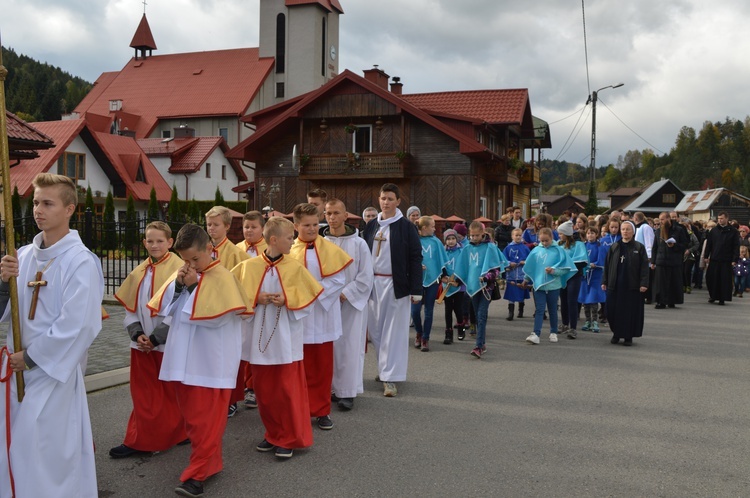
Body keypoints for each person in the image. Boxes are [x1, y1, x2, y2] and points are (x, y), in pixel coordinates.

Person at [0, 173, 103, 498]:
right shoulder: (23, 257)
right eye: (35, 202)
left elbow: (79, 325)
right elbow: (8, 309)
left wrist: (30, 357)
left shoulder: (81, 262)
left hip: (51, 375)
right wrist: (4, 283)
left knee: (45, 451)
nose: (38, 210)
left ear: (69, 208)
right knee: (16, 448)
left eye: (47, 203)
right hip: (17, 372)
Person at [147, 223, 251, 497]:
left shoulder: (223, 277)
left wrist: (193, 288)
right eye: (185, 259)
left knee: (206, 422)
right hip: (184, 362)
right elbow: (167, 314)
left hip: (211, 364)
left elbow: (216, 318)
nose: (190, 264)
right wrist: (180, 287)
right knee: (194, 421)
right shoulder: (185, 276)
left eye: (195, 258)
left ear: (209, 249)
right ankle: (210, 463)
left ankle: (196, 476)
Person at [231, 217, 323, 460]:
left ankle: (290, 437)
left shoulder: (294, 268)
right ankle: (273, 433)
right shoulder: (248, 267)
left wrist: (288, 301)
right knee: (264, 391)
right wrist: (255, 298)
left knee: (287, 391)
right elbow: (232, 296)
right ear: (274, 240)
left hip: (285, 340)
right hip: (258, 341)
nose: (293, 242)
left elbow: (308, 301)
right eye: (289, 238)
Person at [110, 221, 186, 459]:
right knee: (144, 395)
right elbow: (130, 309)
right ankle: (143, 438)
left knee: (169, 393)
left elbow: (181, 309)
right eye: (150, 241)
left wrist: (156, 337)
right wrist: (137, 334)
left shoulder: (180, 269)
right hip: (142, 344)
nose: (154, 245)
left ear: (170, 242)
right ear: (144, 243)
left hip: (166, 342)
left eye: (160, 241)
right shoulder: (140, 271)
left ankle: (170, 434)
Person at [290, 203, 352, 430]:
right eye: (306, 225)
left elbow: (338, 280)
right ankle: (300, 409)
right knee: (300, 367)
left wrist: (311, 292)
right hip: (300, 317)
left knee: (323, 367)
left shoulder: (329, 249)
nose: (312, 229)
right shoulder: (289, 251)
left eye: (316, 224)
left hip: (323, 315)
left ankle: (322, 410)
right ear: (296, 226)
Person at [363, 183, 422, 397]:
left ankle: (391, 378)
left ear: (398, 201)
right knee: (376, 331)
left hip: (396, 285)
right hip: (372, 284)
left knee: (393, 333)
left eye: (390, 199)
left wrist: (417, 288)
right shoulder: (371, 226)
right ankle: (384, 369)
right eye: (383, 198)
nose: (386, 202)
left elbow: (415, 257)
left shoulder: (406, 227)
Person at [323, 199, 374, 411]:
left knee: (350, 346)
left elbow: (366, 275)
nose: (332, 217)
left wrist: (345, 293)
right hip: (325, 304)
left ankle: (347, 392)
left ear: (346, 216)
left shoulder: (359, 243)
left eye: (336, 213)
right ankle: (330, 388)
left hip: (350, 304)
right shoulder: (320, 242)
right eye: (328, 213)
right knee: (329, 347)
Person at [205, 206, 250, 417]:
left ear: (227, 226)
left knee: (231, 356)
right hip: (207, 309)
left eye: (216, 225)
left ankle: (231, 399)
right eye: (209, 225)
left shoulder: (236, 254)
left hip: (229, 312)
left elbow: (243, 284)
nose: (211, 229)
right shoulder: (203, 249)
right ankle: (213, 395)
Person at [454, 222, 508, 359]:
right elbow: (464, 267)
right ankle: (482, 343)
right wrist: (458, 280)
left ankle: (478, 346)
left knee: (482, 315)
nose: (474, 238)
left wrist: (486, 277)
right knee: (477, 317)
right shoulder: (467, 248)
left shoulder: (490, 247)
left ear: (483, 234)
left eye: (477, 235)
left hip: (486, 288)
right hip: (472, 286)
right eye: (471, 235)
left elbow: (496, 270)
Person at [522, 227, 577, 345]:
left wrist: (553, 271)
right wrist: (526, 279)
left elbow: (565, 269)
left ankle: (553, 332)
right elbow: (532, 267)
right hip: (539, 286)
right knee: (539, 310)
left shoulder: (559, 250)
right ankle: (536, 334)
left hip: (553, 286)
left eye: (546, 240)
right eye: (542, 241)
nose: (544, 243)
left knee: (552, 310)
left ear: (552, 238)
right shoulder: (536, 250)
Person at [602, 221, 649, 346]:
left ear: (633, 232)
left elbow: (644, 267)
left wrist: (644, 283)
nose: (625, 231)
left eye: (628, 229)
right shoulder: (614, 246)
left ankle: (628, 336)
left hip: (632, 285)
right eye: (623, 229)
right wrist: (605, 280)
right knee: (612, 310)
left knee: (629, 312)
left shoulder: (639, 248)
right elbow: (607, 265)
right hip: (615, 285)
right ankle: (616, 333)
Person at [412, 216, 448, 352]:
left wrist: (444, 274)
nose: (435, 228)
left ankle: (425, 338)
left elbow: (441, 259)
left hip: (433, 280)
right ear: (425, 228)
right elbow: (409, 257)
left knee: (428, 311)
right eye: (433, 226)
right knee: (414, 311)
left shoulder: (436, 242)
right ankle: (419, 332)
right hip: (416, 280)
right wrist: (416, 266)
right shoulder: (414, 240)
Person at [557, 220, 588, 339]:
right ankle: (565, 324)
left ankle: (573, 328)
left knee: (572, 301)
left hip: (574, 276)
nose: (559, 236)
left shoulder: (579, 244)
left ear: (567, 234)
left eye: (561, 233)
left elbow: (582, 261)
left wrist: (566, 265)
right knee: (563, 300)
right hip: (562, 276)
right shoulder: (559, 245)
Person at [651, 212, 688, 309]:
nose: (661, 222)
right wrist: (653, 261)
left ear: (668, 219)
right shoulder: (658, 231)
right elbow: (655, 247)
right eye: (660, 220)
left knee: (673, 282)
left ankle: (672, 301)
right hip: (661, 261)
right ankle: (661, 302)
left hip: (674, 261)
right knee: (660, 284)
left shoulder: (679, 230)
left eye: (662, 219)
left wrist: (674, 246)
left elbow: (684, 245)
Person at [704, 212, 740, 305]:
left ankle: (722, 298)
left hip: (726, 260)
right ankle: (713, 295)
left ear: (727, 219)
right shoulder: (714, 231)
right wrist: (706, 256)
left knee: (724, 280)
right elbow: (709, 244)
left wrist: (734, 259)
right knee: (712, 278)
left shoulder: (733, 231)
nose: (720, 220)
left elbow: (736, 246)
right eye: (719, 218)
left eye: (722, 218)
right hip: (714, 258)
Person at [579, 227, 607, 333]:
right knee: (586, 299)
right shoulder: (583, 246)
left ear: (596, 234)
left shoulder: (600, 246)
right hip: (585, 277)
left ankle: (595, 321)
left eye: (592, 233)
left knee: (593, 299)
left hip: (595, 276)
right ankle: (587, 320)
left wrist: (594, 264)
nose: (590, 235)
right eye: (588, 233)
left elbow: (601, 260)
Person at [441, 229, 466, 343]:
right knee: (448, 309)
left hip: (459, 285)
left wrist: (459, 280)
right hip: (447, 285)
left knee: (458, 309)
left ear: (456, 239)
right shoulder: (443, 252)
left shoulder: (462, 251)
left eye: (453, 239)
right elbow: (440, 265)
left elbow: (465, 266)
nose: (451, 241)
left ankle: (461, 328)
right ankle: (448, 332)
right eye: (448, 239)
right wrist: (444, 276)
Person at [503, 228, 530, 321]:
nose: (518, 237)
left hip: (522, 275)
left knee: (521, 292)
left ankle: (521, 310)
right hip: (512, 274)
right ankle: (511, 312)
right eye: (516, 235)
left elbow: (530, 260)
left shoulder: (525, 247)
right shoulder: (508, 248)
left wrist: (525, 262)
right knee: (511, 293)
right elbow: (503, 259)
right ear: (512, 236)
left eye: (520, 235)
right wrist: (509, 263)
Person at [634, 211, 655, 304]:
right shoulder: (639, 228)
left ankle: (649, 296)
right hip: (639, 256)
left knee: (647, 277)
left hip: (646, 258)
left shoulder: (646, 227)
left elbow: (649, 241)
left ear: (635, 219)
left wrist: (649, 256)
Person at [681, 217, 700, 294]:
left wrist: (690, 250)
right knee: (682, 271)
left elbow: (697, 244)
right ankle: (683, 286)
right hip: (681, 256)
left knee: (687, 271)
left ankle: (688, 286)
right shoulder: (679, 235)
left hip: (690, 256)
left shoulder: (691, 234)